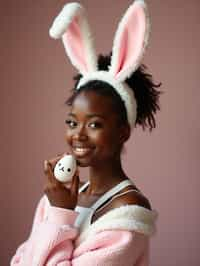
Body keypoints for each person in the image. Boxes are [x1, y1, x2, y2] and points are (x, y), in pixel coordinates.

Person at [11, 1, 161, 265]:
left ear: (123, 132)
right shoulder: (63, 195)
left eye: (94, 124)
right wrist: (57, 206)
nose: (78, 135)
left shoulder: (127, 213)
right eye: (72, 122)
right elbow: (20, 260)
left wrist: (59, 214)